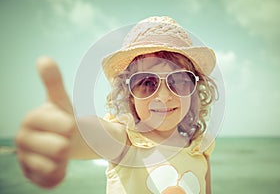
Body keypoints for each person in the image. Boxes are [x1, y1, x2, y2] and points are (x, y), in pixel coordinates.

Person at [15, 16, 219, 194]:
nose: (164, 97)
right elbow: (95, 136)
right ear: (130, 94)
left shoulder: (200, 148)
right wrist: (69, 135)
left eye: (179, 80)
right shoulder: (126, 142)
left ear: (194, 90)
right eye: (147, 83)